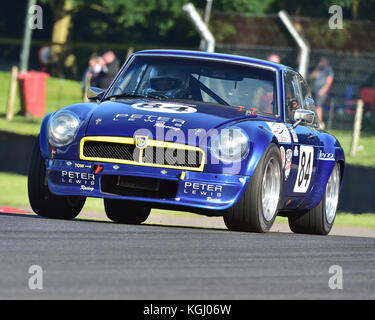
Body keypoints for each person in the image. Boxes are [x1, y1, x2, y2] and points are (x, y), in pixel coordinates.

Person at [309, 56, 334, 125]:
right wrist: (317, 68)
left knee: (318, 106)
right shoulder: (318, 69)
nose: (321, 62)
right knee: (312, 105)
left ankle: (319, 123)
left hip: (321, 91)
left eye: (323, 61)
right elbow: (311, 76)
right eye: (321, 61)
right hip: (314, 90)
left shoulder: (328, 70)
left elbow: (329, 81)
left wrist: (323, 90)